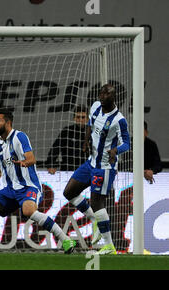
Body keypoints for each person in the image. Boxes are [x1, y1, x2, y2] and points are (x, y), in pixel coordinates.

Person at [0, 110, 77, 254]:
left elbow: (31, 158)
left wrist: (24, 163)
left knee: (29, 211)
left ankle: (65, 239)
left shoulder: (19, 137)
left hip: (28, 186)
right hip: (10, 190)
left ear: (8, 122)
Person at [63, 84, 130, 255]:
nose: (102, 95)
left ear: (113, 97)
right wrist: (86, 141)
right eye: (101, 92)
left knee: (97, 202)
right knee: (69, 192)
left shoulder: (119, 119)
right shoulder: (95, 107)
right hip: (90, 162)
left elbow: (127, 143)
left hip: (105, 167)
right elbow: (90, 124)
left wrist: (116, 150)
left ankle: (109, 246)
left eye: (106, 93)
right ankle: (95, 220)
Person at [45, 105, 89, 174]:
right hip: (67, 170)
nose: (80, 120)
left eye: (83, 117)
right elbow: (55, 149)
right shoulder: (67, 131)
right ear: (74, 118)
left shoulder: (92, 132)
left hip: (87, 171)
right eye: (78, 117)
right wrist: (50, 165)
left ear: (87, 119)